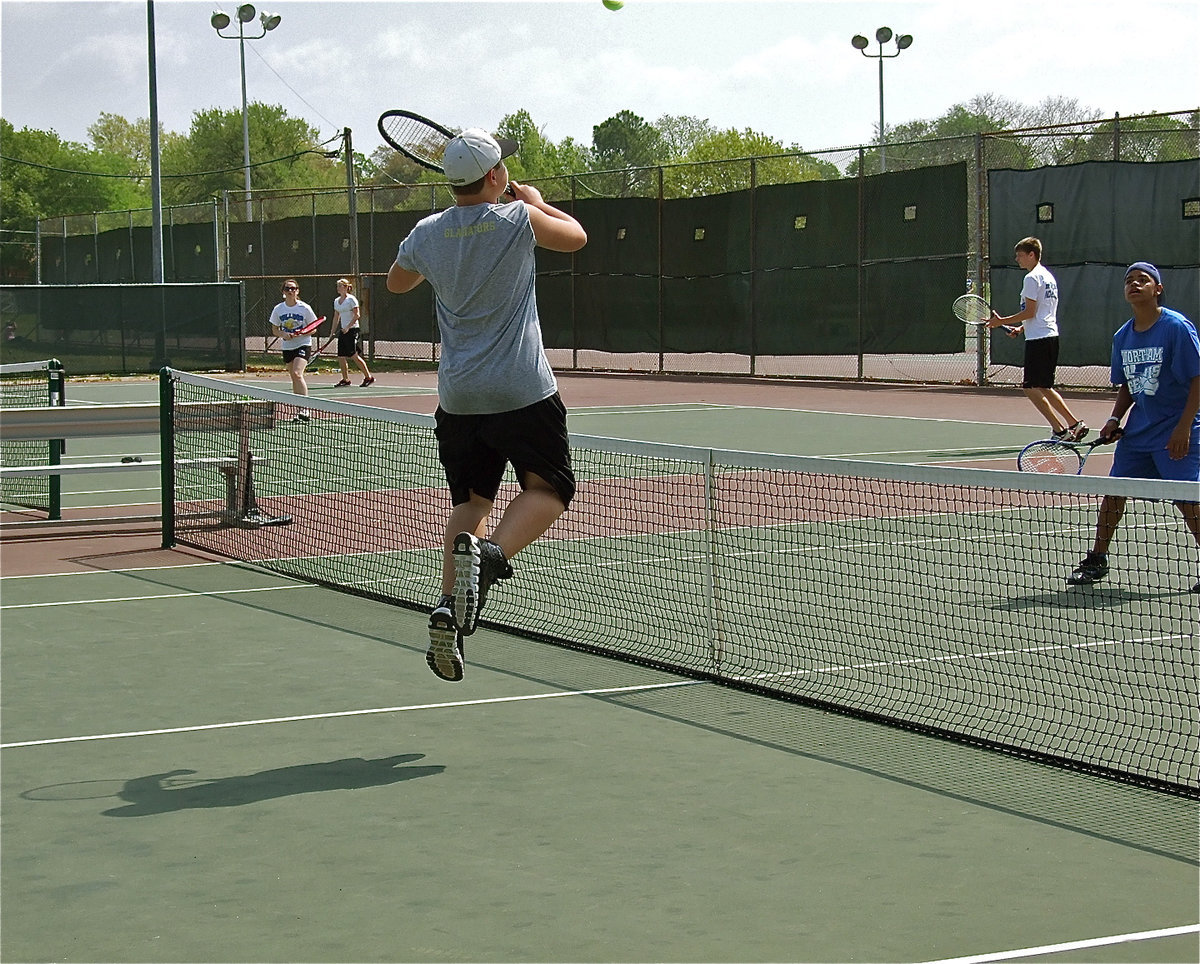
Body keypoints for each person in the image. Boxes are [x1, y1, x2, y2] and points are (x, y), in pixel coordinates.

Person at [386, 128, 587, 682]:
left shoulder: (426, 232)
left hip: (458, 398)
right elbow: (576, 238)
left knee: (471, 502)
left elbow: (397, 282)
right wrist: (537, 203)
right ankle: (494, 556)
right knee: (549, 491)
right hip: (521, 390)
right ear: (496, 177)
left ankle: (449, 604)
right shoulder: (518, 220)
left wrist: (436, 255)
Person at [1067, 262, 1200, 591]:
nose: (1135, 284)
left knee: (1187, 500)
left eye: (1143, 280)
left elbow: (1198, 378)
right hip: (1139, 433)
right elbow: (1127, 383)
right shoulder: (1122, 336)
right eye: (1129, 281)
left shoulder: (1176, 328)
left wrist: (1183, 428)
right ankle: (1096, 559)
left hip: (1177, 431)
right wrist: (1114, 418)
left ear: (1158, 289)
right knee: (1115, 493)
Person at [989, 237, 1087, 442]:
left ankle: (1060, 431)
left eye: (1020, 255)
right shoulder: (1048, 277)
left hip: (1040, 340)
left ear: (1032, 254)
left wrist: (1001, 321)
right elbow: (1040, 311)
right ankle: (1074, 425)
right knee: (1043, 386)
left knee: (1030, 387)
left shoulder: (1032, 278)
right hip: (1048, 336)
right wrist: (1020, 329)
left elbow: (1031, 311)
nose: (1017, 259)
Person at [268, 279, 318, 418]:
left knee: (297, 374)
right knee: (294, 378)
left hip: (303, 344)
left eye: (293, 288)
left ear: (298, 291)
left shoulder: (305, 308)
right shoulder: (278, 309)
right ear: (283, 292)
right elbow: (274, 329)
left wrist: (302, 333)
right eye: (288, 289)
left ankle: (306, 409)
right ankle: (299, 409)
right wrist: (284, 334)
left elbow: (313, 328)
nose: (291, 291)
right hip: (287, 346)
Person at [330, 278, 374, 388]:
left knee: (354, 355)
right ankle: (345, 380)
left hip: (353, 330)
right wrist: (332, 331)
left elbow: (357, 315)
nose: (338, 288)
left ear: (346, 287)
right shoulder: (336, 301)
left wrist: (348, 327)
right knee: (341, 356)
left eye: (340, 286)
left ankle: (368, 377)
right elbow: (336, 317)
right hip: (343, 331)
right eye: (337, 286)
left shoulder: (351, 299)